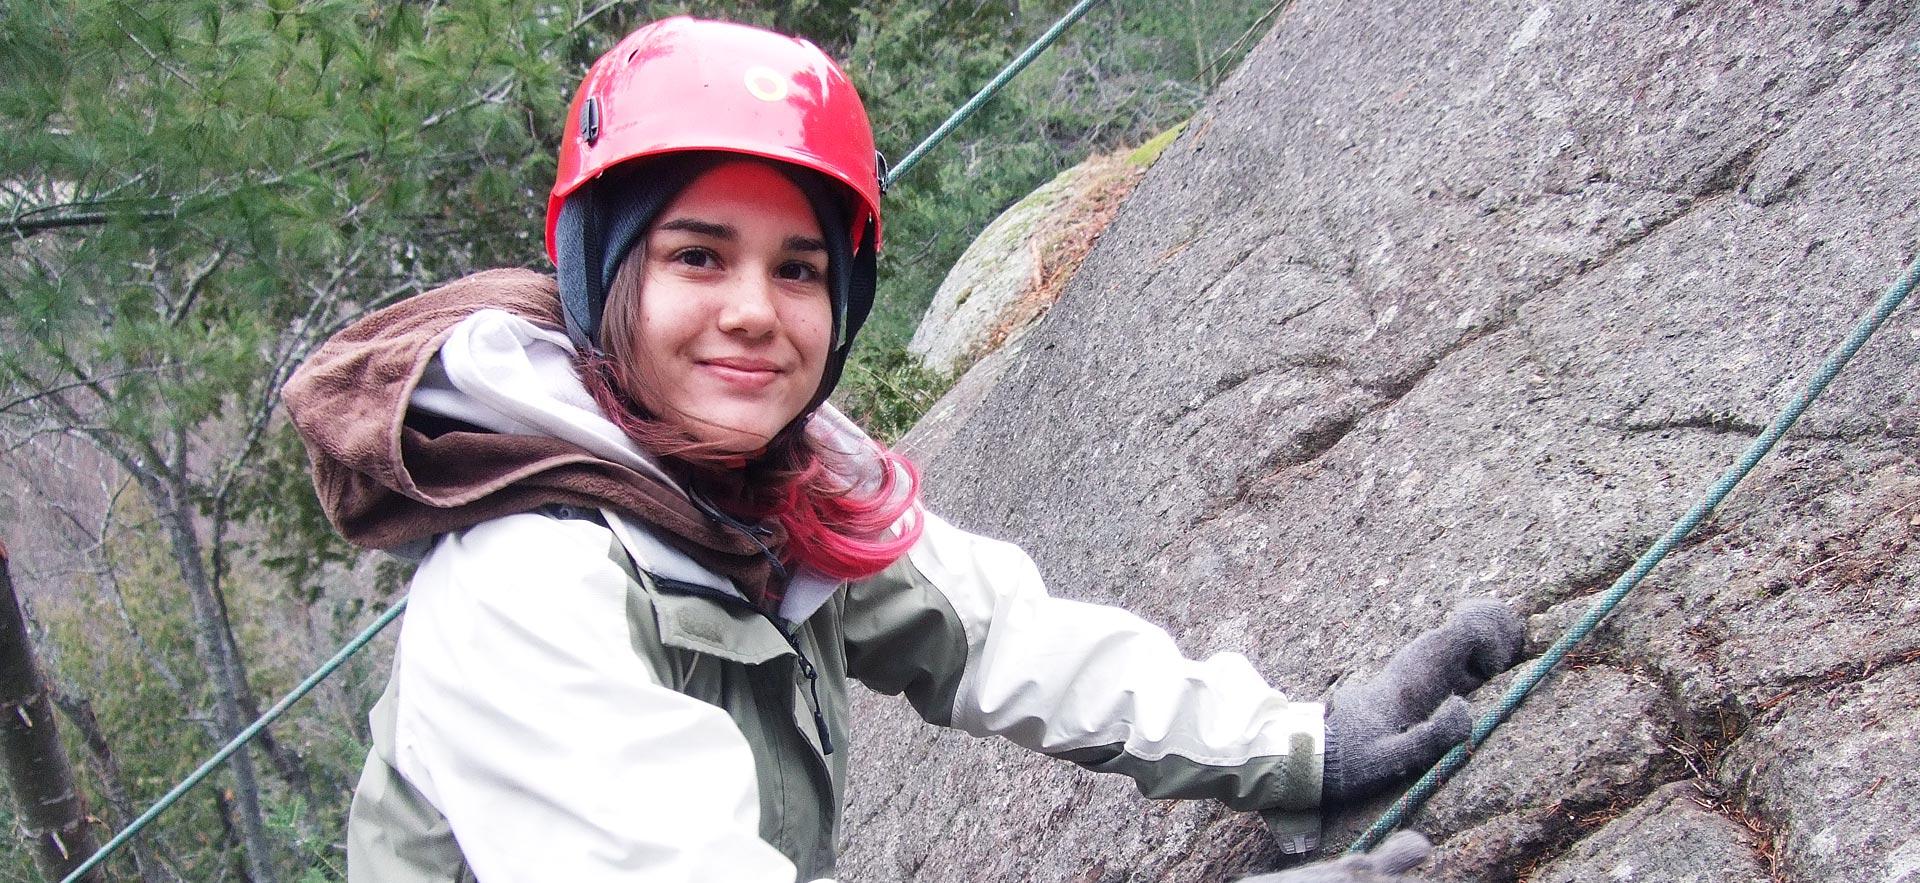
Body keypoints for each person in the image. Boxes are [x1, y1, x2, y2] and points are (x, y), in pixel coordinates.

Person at [283, 16, 1524, 883]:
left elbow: (1008, 637)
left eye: (802, 267)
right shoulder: (523, 590)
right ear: (602, 275)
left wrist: (1299, 748)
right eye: (697, 254)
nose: (757, 310)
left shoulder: (763, 492)